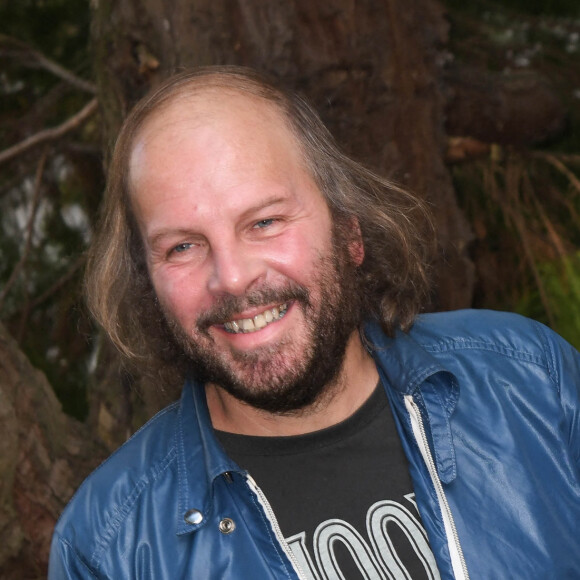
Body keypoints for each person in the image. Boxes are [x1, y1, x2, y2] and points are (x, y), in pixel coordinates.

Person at [49, 66, 580, 580]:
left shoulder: (532, 384)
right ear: (148, 284)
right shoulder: (109, 548)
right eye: (183, 246)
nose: (232, 279)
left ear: (350, 231)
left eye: (265, 222)